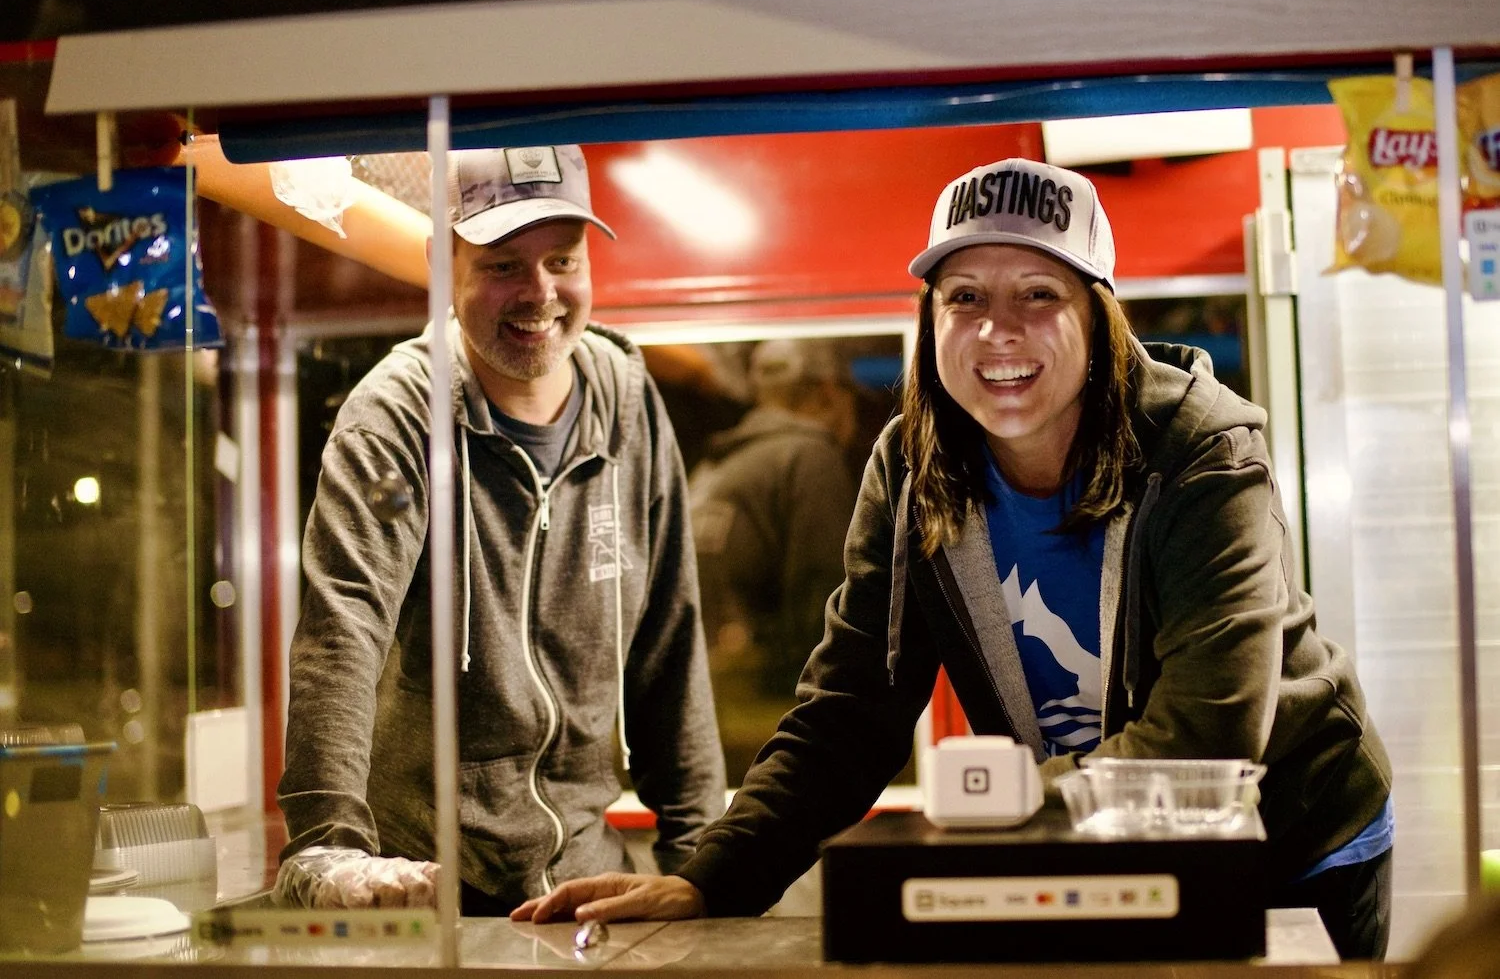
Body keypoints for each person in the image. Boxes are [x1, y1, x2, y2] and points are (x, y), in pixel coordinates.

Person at [512, 157, 1395, 959]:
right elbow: (852, 712)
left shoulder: (1200, 450)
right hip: (1085, 833)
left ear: (1099, 317)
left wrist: (992, 804)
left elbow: (1207, 733)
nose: (998, 331)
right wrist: (711, 879)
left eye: (1039, 295)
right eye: (965, 296)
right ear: (931, 319)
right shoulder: (911, 468)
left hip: (1294, 836)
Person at [275, 145, 725, 915]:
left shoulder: (626, 401)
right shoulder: (395, 420)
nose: (540, 293)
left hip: (583, 881)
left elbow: (669, 641)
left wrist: (704, 863)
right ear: (441, 265)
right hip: (429, 885)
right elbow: (343, 630)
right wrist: (329, 846)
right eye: (503, 265)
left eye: (562, 260)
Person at [687, 338, 859, 779]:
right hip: (771, 723)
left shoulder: (714, 468)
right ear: (830, 394)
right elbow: (828, 605)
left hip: (708, 718)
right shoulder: (810, 456)